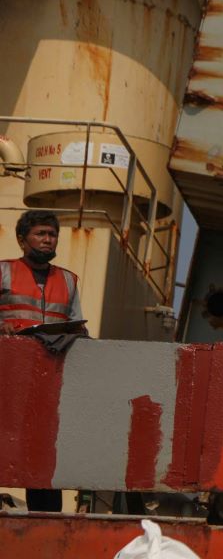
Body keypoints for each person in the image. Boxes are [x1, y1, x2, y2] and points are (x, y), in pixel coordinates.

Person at [0, 209, 83, 513]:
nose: (48, 240)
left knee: (42, 458)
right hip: (7, 378)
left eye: (52, 234)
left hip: (49, 383)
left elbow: (79, 327)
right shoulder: (3, 271)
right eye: (41, 234)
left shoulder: (69, 280)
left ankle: (46, 524)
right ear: (22, 240)